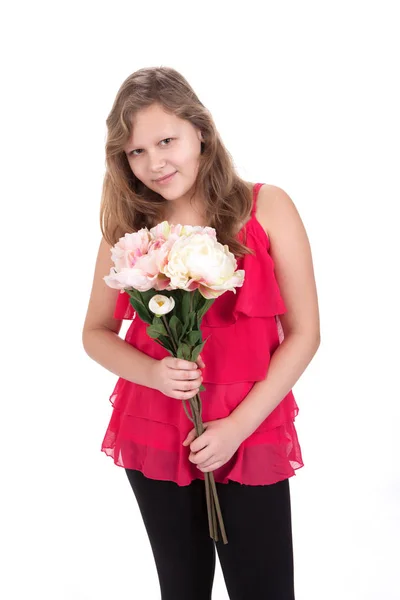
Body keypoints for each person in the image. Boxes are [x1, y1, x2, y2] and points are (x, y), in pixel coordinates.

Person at [82, 66, 320, 600]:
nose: (154, 163)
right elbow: (95, 332)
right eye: (135, 152)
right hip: (158, 429)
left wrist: (236, 428)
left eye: (166, 140)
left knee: (265, 589)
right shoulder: (128, 232)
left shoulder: (267, 207)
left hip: (249, 428)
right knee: (182, 588)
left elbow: (305, 333)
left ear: (201, 132)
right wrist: (151, 372)